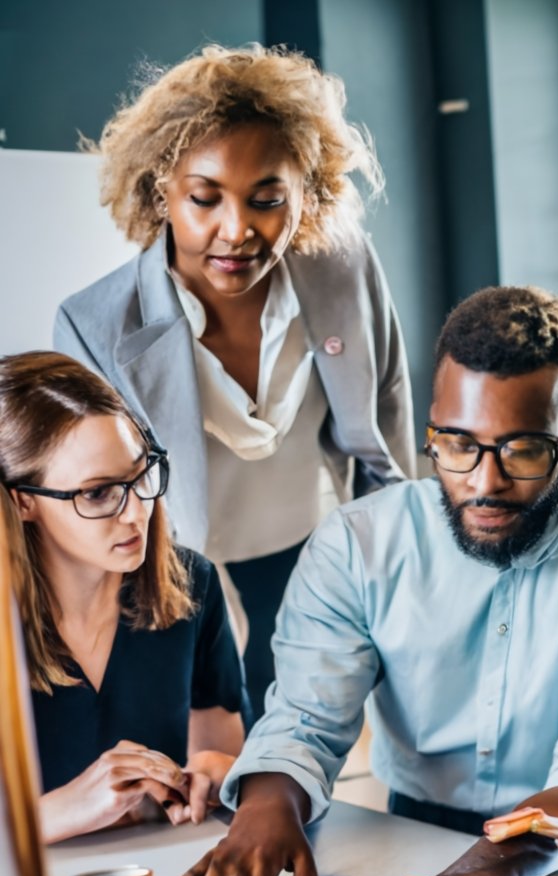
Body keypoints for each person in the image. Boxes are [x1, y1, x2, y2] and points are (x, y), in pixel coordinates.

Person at [160, 285, 558, 876]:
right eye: (458, 445)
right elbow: (305, 719)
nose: (484, 482)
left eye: (522, 450)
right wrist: (265, 810)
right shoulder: (359, 543)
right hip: (403, 834)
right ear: (431, 430)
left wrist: (498, 858)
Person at [54, 44, 416, 723]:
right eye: (204, 198)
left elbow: (387, 408)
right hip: (185, 583)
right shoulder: (93, 325)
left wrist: (401, 565)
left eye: (267, 199)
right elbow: (91, 504)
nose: (237, 230)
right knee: (218, 768)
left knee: (316, 758)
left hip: (317, 556)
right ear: (162, 191)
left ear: (307, 191)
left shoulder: (343, 269)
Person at [0, 352, 246, 844]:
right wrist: (56, 812)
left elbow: (220, 763)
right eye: (97, 493)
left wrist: (219, 776)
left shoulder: (193, 585)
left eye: (141, 475)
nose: (137, 512)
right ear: (22, 500)